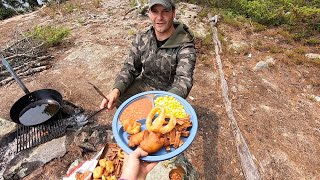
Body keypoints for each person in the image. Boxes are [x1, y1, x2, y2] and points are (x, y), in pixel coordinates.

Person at [100, 0, 196, 110]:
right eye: (155, 12)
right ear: (149, 14)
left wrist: (164, 103)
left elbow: (184, 80)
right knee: (120, 99)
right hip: (145, 83)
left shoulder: (185, 46)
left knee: (158, 120)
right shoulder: (142, 38)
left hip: (169, 92)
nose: (159, 17)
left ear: (173, 13)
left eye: (165, 11)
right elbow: (130, 68)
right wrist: (116, 90)